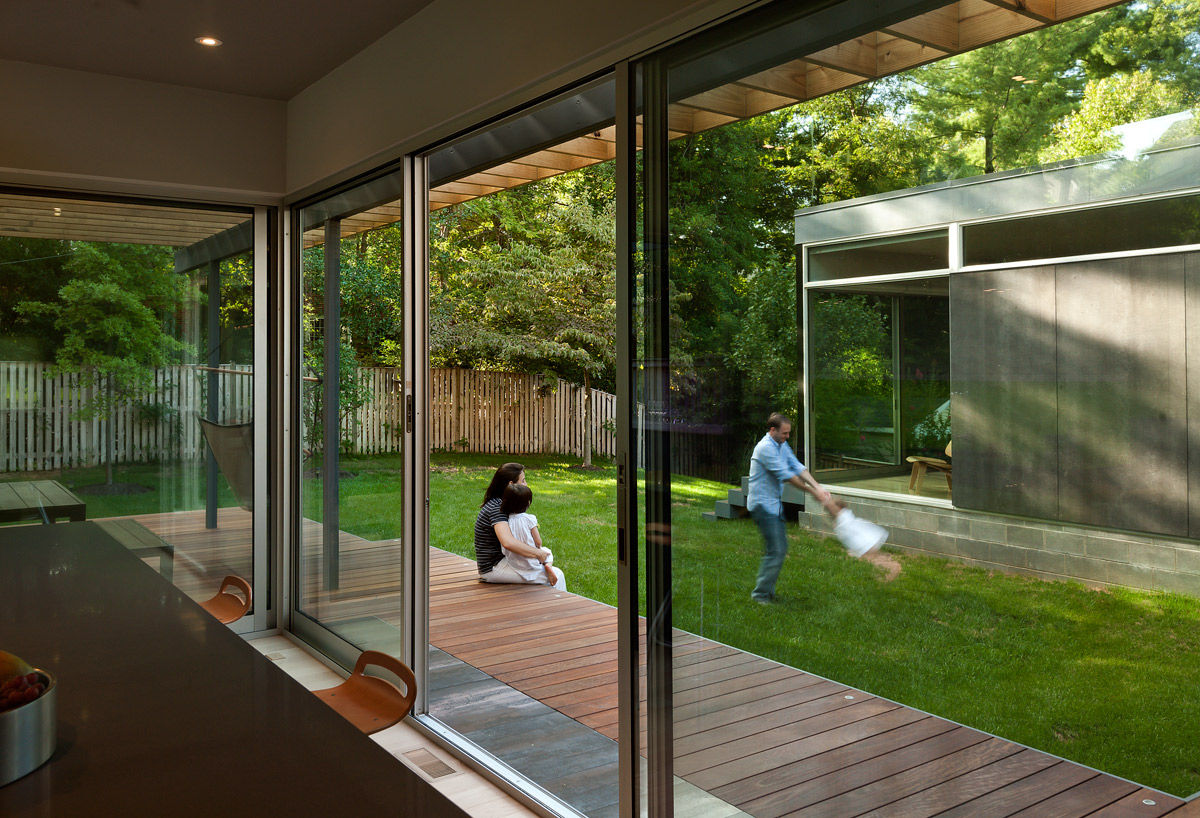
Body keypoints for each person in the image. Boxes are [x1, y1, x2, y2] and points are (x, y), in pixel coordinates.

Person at [747, 412, 842, 604]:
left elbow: (797, 467)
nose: (787, 437)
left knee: (776, 549)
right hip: (762, 505)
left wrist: (818, 487)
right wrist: (813, 493)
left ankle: (766, 593)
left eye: (788, 433)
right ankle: (760, 595)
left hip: (773, 505)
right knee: (777, 550)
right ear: (772, 430)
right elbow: (787, 475)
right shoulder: (765, 448)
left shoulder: (781, 445)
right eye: (784, 433)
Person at [473, 462, 559, 586]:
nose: (526, 484)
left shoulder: (503, 503)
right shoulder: (497, 507)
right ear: (511, 484)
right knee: (557, 576)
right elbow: (508, 542)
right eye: (523, 481)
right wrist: (538, 553)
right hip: (494, 568)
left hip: (504, 562)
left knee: (546, 573)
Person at [499, 483, 567, 591]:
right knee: (546, 551)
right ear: (528, 503)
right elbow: (538, 541)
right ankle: (548, 565)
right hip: (531, 561)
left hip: (514, 562)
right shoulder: (530, 518)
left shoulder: (505, 521)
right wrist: (538, 547)